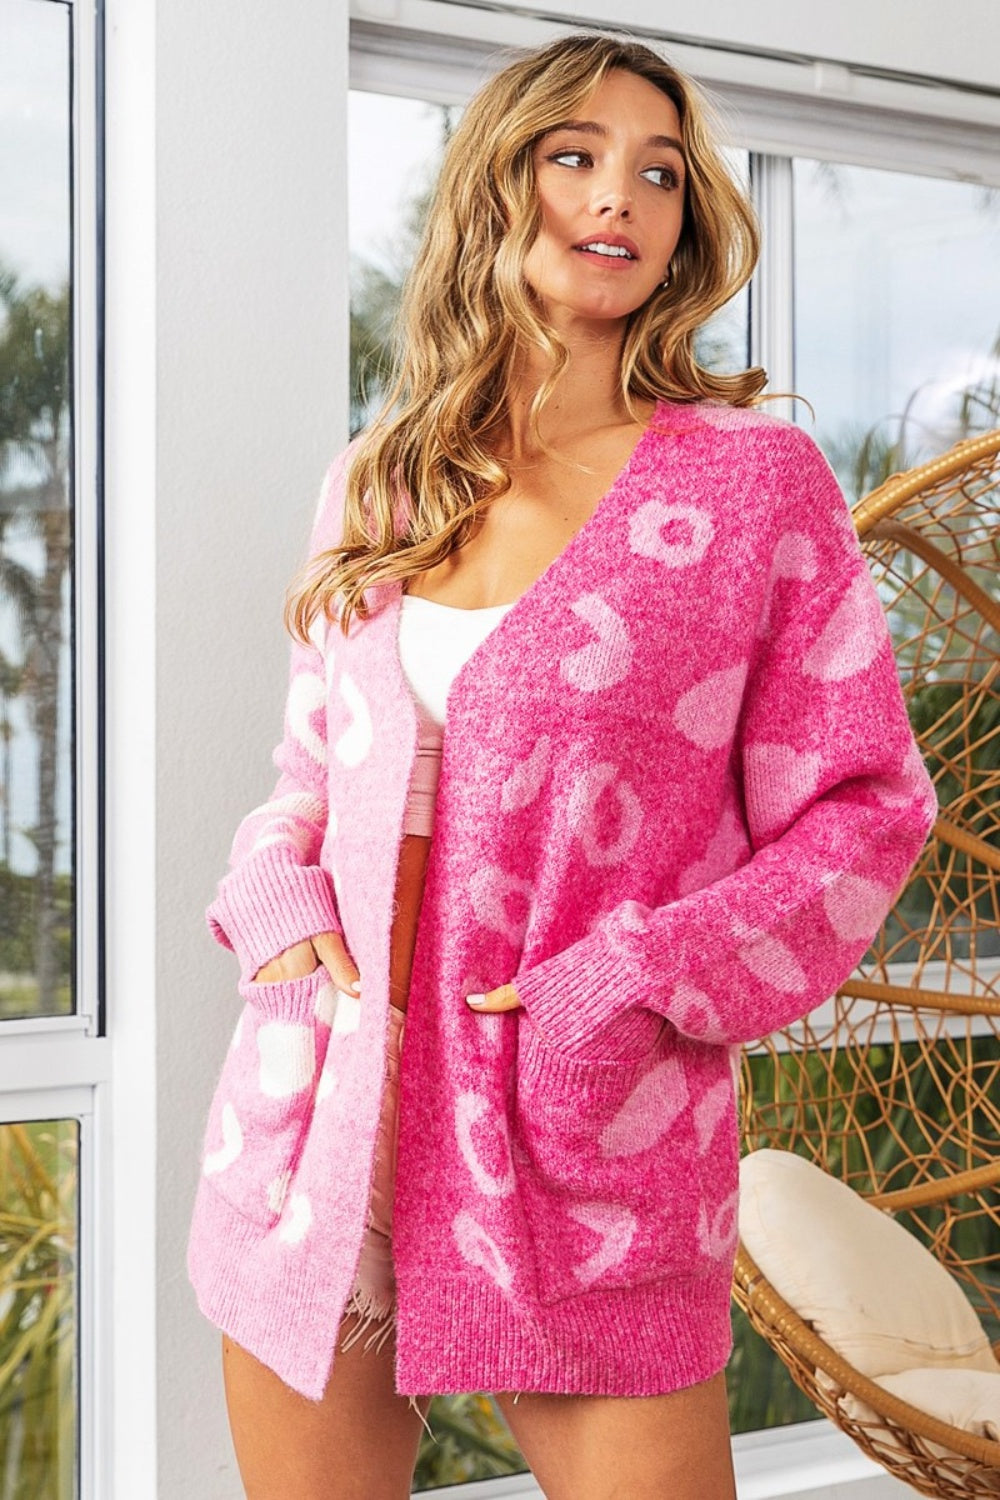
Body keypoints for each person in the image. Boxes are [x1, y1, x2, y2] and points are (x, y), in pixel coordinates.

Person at [186, 29, 939, 1500]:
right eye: (573, 158)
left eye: (658, 173)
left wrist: (641, 974)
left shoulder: (749, 487)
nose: (619, 198)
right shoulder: (385, 473)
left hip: (575, 1134)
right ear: (498, 186)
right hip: (314, 1117)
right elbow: (307, 775)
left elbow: (863, 812)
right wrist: (271, 903)